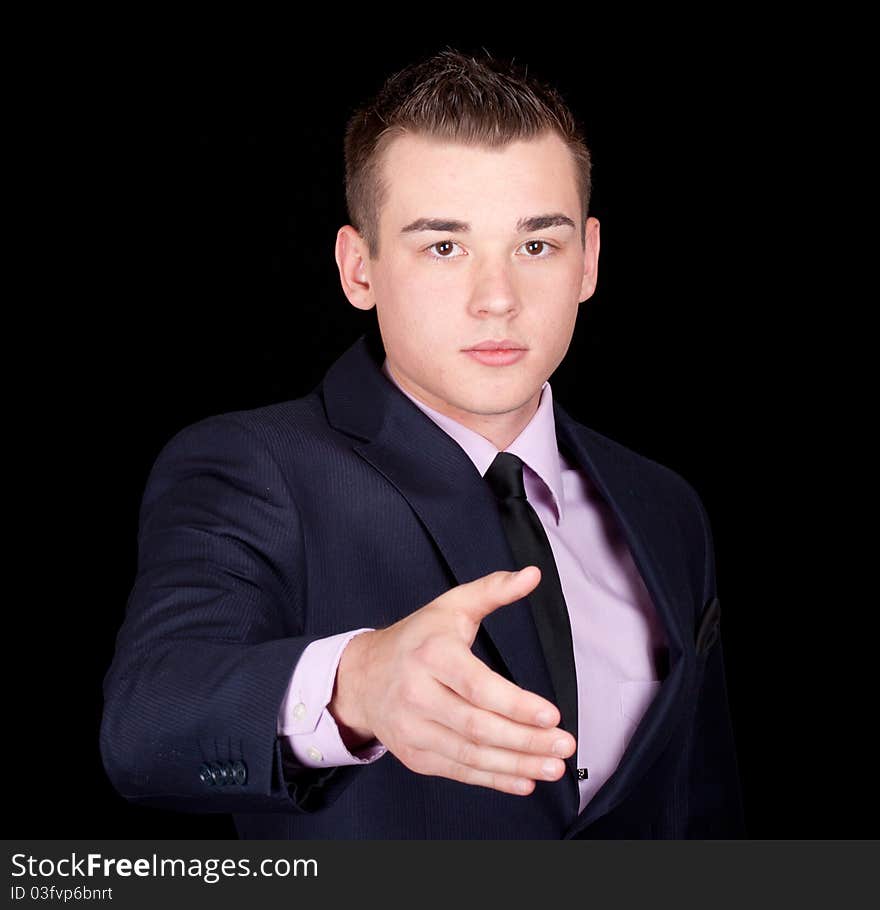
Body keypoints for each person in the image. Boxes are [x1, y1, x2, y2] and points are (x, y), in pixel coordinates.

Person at [99, 48, 745, 839]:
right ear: (359, 268)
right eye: (444, 246)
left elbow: (706, 812)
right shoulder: (254, 468)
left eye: (536, 245)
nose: (498, 299)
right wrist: (354, 687)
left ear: (590, 260)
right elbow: (146, 728)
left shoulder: (664, 506)